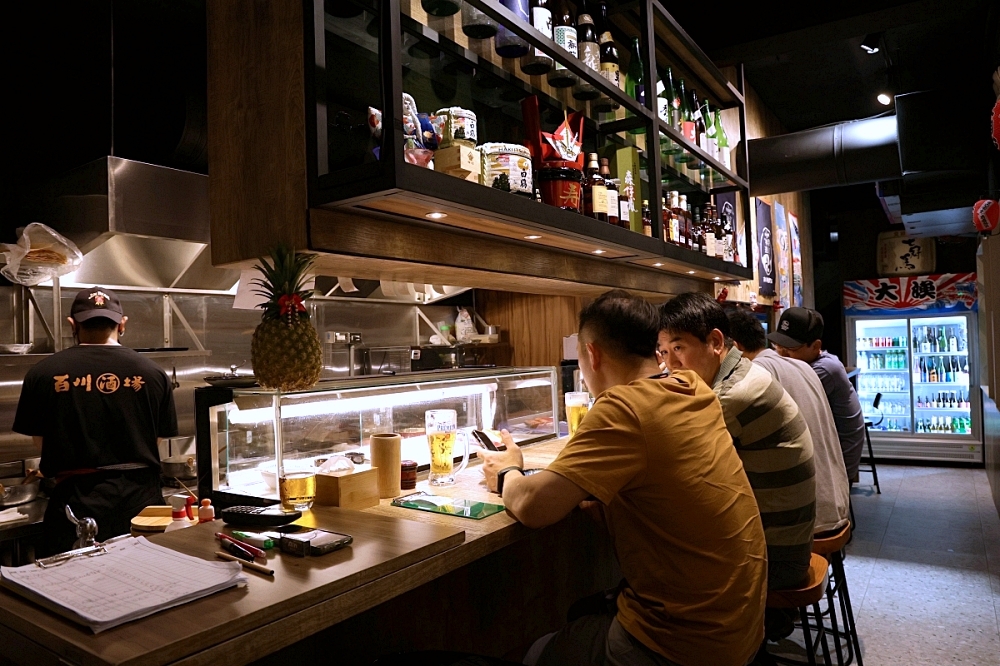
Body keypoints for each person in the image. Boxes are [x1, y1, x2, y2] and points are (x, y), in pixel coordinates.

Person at [478, 290, 766, 666]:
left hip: (687, 642)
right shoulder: (693, 388)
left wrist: (507, 472)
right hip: (741, 625)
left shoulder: (623, 407)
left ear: (592, 354)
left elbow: (534, 507)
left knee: (533, 652)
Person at [658, 293, 815, 593]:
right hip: (788, 544)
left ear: (716, 342)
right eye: (663, 352)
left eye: (678, 348)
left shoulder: (729, 396)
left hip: (776, 558)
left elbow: (681, 475)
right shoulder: (741, 371)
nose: (669, 364)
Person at [13, 286, 177, 555]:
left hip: (77, 500)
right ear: (122, 325)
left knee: (73, 588)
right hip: (144, 501)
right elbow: (155, 439)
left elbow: (39, 442)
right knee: (148, 581)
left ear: (72, 325)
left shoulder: (43, 373)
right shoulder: (154, 373)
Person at [727, 309, 850, 535]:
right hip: (838, 503)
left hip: (808, 521)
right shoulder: (804, 366)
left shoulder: (755, 374)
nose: (783, 350)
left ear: (733, 347)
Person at [767, 307, 865, 483]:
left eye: (790, 349)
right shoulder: (807, 363)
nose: (782, 354)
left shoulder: (824, 369)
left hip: (837, 462)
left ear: (816, 346)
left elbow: (780, 399)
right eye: (778, 347)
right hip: (825, 450)